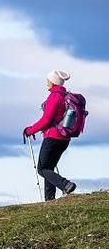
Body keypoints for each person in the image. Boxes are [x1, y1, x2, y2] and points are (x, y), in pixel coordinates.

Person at [24, 70, 78, 200]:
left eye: (48, 80)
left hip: (53, 137)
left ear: (53, 82)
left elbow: (47, 119)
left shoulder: (55, 96)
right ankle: (49, 199)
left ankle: (66, 184)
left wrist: (30, 130)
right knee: (49, 168)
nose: (46, 83)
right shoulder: (65, 95)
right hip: (64, 138)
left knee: (42, 169)